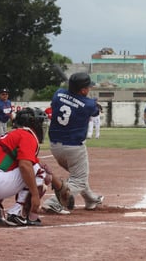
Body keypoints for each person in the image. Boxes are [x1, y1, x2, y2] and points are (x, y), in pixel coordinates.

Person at [0, 107, 72, 226]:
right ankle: (18, 213)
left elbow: (35, 163)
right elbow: (26, 166)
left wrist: (58, 185)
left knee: (29, 167)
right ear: (32, 124)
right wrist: (35, 194)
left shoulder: (12, 135)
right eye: (40, 122)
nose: (42, 126)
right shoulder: (27, 135)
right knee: (38, 173)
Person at [42, 72, 104, 214]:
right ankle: (54, 202)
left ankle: (91, 199)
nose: (89, 89)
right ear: (82, 90)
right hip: (73, 148)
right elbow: (94, 111)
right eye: (87, 87)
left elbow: (70, 101)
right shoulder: (88, 104)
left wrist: (81, 100)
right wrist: (92, 103)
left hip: (55, 147)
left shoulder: (58, 94)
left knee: (78, 174)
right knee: (79, 178)